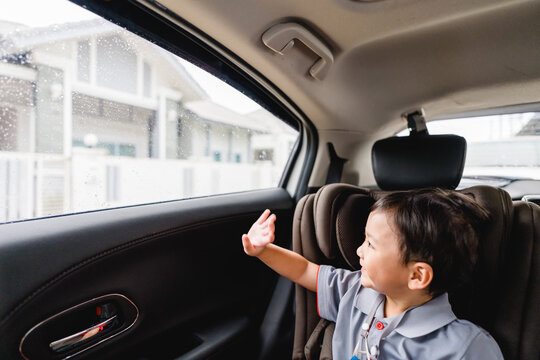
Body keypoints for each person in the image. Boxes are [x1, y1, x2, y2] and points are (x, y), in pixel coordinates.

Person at [241, 188, 504, 359]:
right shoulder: (354, 290)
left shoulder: (468, 347)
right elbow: (305, 270)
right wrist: (262, 251)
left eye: (370, 244)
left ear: (417, 276)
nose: (358, 251)